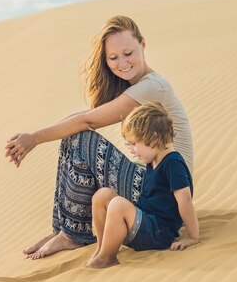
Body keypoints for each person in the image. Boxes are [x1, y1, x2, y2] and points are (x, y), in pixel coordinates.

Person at [4, 15, 194, 260]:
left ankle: (73, 235)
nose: (122, 63)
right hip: (152, 181)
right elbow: (85, 115)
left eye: (128, 53)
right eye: (113, 57)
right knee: (72, 136)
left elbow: (89, 121)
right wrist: (34, 135)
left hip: (169, 190)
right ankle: (64, 229)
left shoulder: (152, 86)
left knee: (81, 138)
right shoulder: (134, 86)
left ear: (143, 46)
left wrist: (34, 139)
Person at [84, 101, 199, 269]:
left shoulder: (173, 163)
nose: (131, 150)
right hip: (145, 222)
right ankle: (102, 248)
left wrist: (192, 236)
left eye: (134, 144)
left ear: (153, 139)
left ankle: (107, 258)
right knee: (102, 195)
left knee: (117, 204)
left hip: (159, 232)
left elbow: (185, 200)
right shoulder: (153, 159)